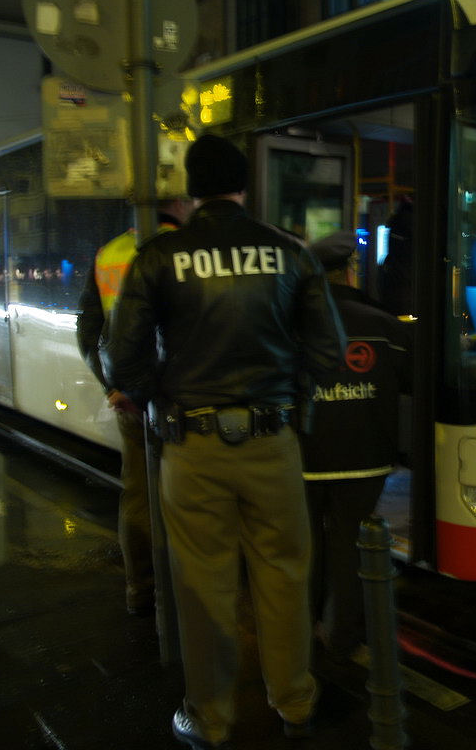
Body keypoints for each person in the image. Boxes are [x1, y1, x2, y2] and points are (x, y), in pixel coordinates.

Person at [104, 134, 345, 750]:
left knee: (202, 581)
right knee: (285, 573)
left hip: (193, 448)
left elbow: (122, 359)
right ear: (244, 187)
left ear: (191, 190)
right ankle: (294, 701)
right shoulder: (290, 254)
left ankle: (209, 718)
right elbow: (329, 354)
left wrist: (160, 393)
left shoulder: (161, 257)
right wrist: (287, 396)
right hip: (273, 442)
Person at [76, 198, 192, 615]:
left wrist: (114, 386)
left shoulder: (110, 252)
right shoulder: (189, 247)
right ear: (179, 202)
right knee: (189, 493)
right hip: (177, 396)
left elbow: (89, 326)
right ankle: (184, 593)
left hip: (129, 398)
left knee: (139, 493)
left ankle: (141, 588)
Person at [302, 230, 411, 660]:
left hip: (304, 459)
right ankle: (344, 636)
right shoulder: (383, 325)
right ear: (350, 271)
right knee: (349, 547)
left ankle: (301, 630)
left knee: (303, 546)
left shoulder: (289, 321)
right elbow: (409, 380)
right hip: (364, 462)